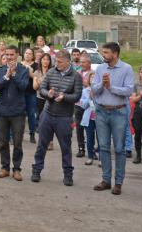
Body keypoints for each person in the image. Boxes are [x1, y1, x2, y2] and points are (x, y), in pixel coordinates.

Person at [31, 50, 82, 186]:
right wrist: (49, 93)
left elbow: (77, 95)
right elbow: (42, 88)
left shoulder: (76, 76)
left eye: (59, 62)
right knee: (41, 144)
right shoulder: (52, 72)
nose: (56, 64)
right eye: (56, 61)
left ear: (67, 62)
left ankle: (68, 174)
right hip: (47, 114)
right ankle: (36, 170)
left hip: (64, 117)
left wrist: (64, 97)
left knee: (66, 147)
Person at [90, 42, 135, 194]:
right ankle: (106, 180)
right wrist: (102, 84)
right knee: (103, 146)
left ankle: (118, 183)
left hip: (119, 112)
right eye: (103, 52)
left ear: (115, 54)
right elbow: (94, 89)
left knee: (119, 148)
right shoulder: (100, 68)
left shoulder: (126, 68)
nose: (104, 55)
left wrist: (111, 87)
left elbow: (128, 91)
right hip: (101, 111)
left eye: (106, 52)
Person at [0, 46, 31, 181]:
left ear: (17, 55)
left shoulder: (23, 70)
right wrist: (6, 76)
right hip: (2, 111)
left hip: (18, 112)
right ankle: (4, 168)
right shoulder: (0, 70)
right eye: (7, 55)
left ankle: (16, 169)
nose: (9, 57)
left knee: (17, 142)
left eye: (11, 55)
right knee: (3, 142)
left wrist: (14, 75)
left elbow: (23, 86)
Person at [74, 53, 95, 158]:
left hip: (90, 105)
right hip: (78, 103)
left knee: (90, 127)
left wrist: (87, 84)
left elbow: (94, 87)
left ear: (89, 63)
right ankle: (81, 148)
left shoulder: (93, 74)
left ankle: (91, 149)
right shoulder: (77, 73)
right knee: (79, 127)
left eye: (83, 62)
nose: (81, 64)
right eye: (80, 62)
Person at [33, 52, 53, 144]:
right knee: (41, 120)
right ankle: (42, 140)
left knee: (49, 120)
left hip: (49, 99)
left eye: (47, 59)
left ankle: (50, 141)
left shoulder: (52, 72)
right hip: (39, 98)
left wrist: (40, 81)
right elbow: (35, 87)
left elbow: (53, 86)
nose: (45, 61)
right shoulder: (37, 72)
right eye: (44, 59)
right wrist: (39, 81)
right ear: (40, 61)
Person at [21, 48, 38, 143]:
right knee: (21, 114)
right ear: (24, 54)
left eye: (30, 53)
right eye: (26, 53)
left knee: (31, 114)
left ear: (33, 55)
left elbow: (36, 77)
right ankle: (20, 133)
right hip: (20, 93)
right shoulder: (19, 64)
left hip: (31, 93)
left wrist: (30, 73)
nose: (28, 55)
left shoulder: (36, 65)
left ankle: (32, 134)